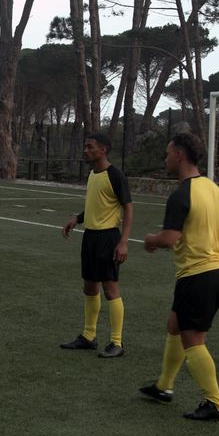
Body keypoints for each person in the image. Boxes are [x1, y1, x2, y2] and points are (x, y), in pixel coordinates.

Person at [140, 132, 219, 421]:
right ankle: (164, 386)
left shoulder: (181, 194)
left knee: (193, 340)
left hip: (199, 275)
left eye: (168, 152)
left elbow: (169, 238)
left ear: (180, 155)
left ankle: (216, 404)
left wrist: (150, 240)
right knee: (175, 325)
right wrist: (202, 236)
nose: (165, 158)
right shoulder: (213, 188)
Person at [60, 133, 134, 358]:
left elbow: (128, 208)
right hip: (90, 237)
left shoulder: (115, 175)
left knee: (110, 289)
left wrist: (123, 242)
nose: (85, 150)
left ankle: (117, 342)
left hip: (108, 238)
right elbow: (97, 204)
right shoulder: (93, 174)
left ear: (103, 150)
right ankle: (89, 336)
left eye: (90, 147)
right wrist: (77, 218)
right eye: (85, 146)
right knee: (90, 287)